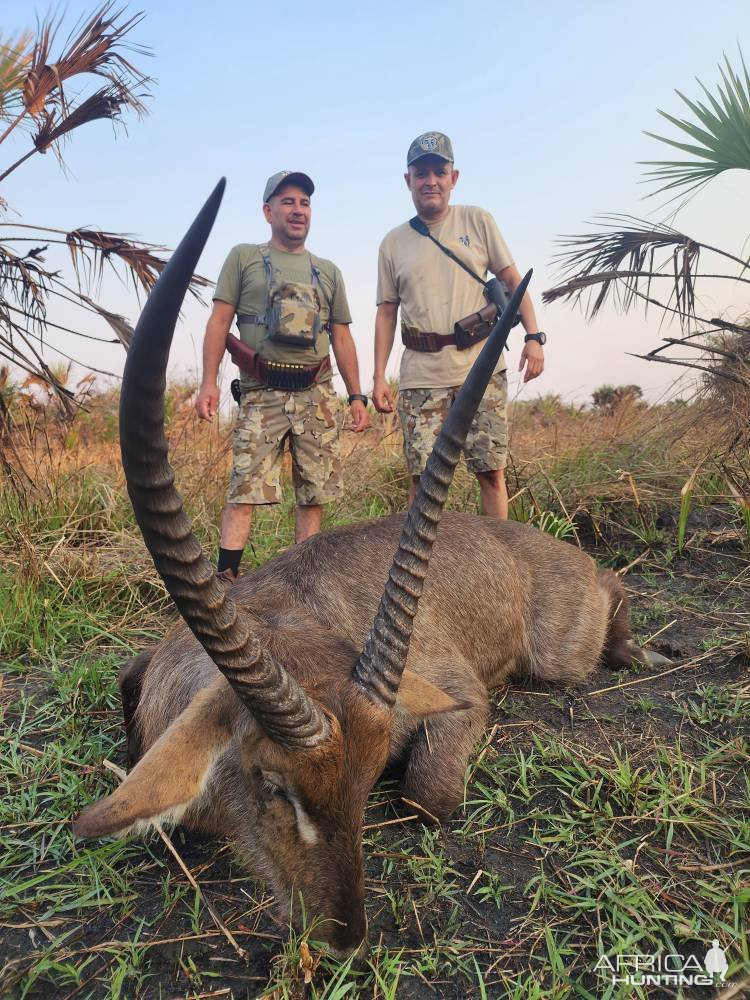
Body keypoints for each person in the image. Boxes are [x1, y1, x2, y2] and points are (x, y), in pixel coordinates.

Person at [196, 170, 369, 583]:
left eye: (304, 203)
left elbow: (342, 336)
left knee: (313, 494)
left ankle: (303, 582)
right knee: (244, 491)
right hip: (261, 394)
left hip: (317, 394)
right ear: (267, 210)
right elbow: (219, 322)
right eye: (288, 202)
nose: (297, 210)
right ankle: (226, 581)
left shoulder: (327, 270)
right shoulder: (244, 257)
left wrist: (357, 395)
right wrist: (208, 381)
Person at [372, 132, 545, 518]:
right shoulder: (392, 243)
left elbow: (515, 282)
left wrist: (534, 337)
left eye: (439, 171)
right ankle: (422, 573)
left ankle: (498, 569)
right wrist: (379, 376)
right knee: (422, 482)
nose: (430, 181)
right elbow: (386, 311)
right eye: (421, 174)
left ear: (454, 177)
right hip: (421, 375)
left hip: (479, 370)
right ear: (408, 181)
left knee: (491, 474)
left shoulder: (478, 220)